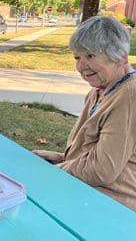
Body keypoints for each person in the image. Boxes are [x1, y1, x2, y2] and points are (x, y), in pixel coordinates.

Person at [33, 15, 136, 211]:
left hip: (114, 208)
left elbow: (102, 170)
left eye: (90, 56)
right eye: (77, 57)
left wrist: (55, 171)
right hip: (88, 192)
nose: (81, 67)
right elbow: (95, 150)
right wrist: (62, 158)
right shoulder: (98, 91)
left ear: (120, 57)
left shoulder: (130, 97)